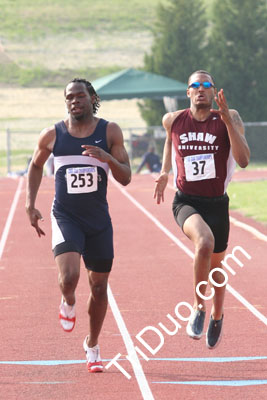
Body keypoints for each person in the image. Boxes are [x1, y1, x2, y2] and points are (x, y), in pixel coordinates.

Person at [26, 78, 131, 372]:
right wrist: (30, 205)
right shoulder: (53, 134)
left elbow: (126, 177)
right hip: (66, 216)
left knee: (99, 288)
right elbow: (35, 166)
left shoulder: (109, 131)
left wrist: (107, 157)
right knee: (69, 276)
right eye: (69, 97)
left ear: (91, 97)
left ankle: (92, 345)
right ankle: (67, 299)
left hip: (98, 222)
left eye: (80, 96)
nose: (75, 101)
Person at [154, 70, 250, 349]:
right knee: (204, 243)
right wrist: (164, 171)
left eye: (206, 85)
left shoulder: (229, 117)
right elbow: (169, 140)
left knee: (217, 269)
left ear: (213, 91)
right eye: (194, 85)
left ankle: (218, 315)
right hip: (186, 201)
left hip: (217, 203)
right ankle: (198, 307)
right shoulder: (172, 120)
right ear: (188, 93)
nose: (200, 89)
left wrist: (228, 121)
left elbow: (243, 160)